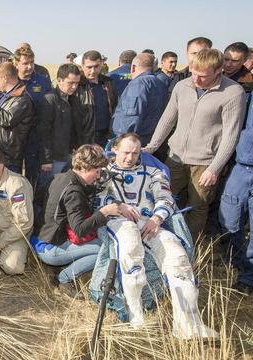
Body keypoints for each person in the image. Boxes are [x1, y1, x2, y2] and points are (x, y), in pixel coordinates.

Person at [98, 133, 218, 338]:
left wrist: (157, 219)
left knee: (177, 254)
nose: (130, 157)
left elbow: (166, 198)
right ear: (115, 149)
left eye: (135, 153)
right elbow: (98, 199)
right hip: (117, 221)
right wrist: (119, 206)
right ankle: (136, 315)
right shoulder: (102, 173)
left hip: (149, 223)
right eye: (126, 152)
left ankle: (187, 324)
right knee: (130, 243)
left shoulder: (153, 172)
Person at [144, 49, 247, 241]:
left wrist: (214, 168)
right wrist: (152, 146)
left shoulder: (233, 92)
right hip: (175, 158)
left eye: (202, 76)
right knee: (163, 198)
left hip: (205, 163)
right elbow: (168, 119)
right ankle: (160, 240)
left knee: (198, 206)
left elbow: (230, 135)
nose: (196, 79)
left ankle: (188, 245)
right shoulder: (182, 86)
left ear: (218, 71)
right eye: (193, 73)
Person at [35, 144, 121, 297]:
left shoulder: (60, 177)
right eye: (96, 171)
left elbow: (39, 198)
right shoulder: (74, 191)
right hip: (49, 248)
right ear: (84, 167)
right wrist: (104, 212)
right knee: (104, 250)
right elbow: (80, 230)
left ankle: (64, 265)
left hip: (38, 236)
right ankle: (63, 278)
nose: (98, 175)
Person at [219, 94, 253, 295]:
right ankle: (236, 261)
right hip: (240, 168)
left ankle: (247, 278)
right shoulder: (246, 96)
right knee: (229, 220)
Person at [0, 62, 35, 173]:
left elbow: (6, 119)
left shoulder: (22, 99)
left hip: (8, 157)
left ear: (5, 78)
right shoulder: (6, 95)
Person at [38, 63, 88, 179]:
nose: (74, 87)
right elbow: (43, 132)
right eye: (70, 83)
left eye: (77, 83)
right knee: (50, 188)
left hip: (72, 154)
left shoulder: (74, 99)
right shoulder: (50, 100)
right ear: (59, 80)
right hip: (55, 157)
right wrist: (46, 159)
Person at [13, 45, 52, 186]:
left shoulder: (43, 81)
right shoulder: (9, 81)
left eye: (32, 63)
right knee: (14, 173)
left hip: (35, 135)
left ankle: (33, 203)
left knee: (33, 174)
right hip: (15, 136)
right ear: (16, 64)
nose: (29, 67)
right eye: (25, 63)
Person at [111, 53, 168, 144]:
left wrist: (122, 140)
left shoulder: (139, 84)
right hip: (149, 139)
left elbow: (132, 116)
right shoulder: (159, 83)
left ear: (133, 67)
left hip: (132, 141)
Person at [76, 50, 118, 147]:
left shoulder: (109, 83)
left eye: (96, 66)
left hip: (106, 136)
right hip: (84, 137)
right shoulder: (77, 85)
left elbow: (115, 106)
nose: (93, 71)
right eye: (89, 67)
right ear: (82, 66)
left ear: (102, 64)